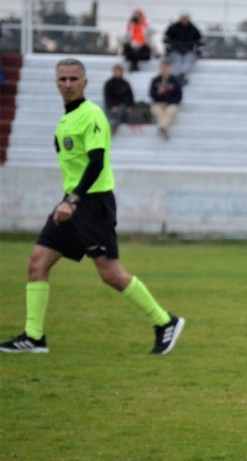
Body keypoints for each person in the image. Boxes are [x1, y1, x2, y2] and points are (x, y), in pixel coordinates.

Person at [0, 58, 184, 355]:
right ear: (56, 83)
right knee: (37, 262)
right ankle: (33, 337)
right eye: (62, 79)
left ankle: (164, 321)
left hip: (92, 203)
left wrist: (73, 199)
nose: (68, 84)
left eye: (74, 79)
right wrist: (69, 200)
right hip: (71, 202)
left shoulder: (92, 115)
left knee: (111, 274)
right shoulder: (66, 119)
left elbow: (97, 162)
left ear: (85, 83)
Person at [163, 12, 203, 85]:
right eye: (183, 18)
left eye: (185, 18)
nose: (184, 20)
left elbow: (200, 41)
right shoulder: (173, 28)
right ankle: (177, 77)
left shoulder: (193, 29)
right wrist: (168, 50)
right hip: (175, 51)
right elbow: (166, 39)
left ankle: (182, 75)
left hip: (189, 51)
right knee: (177, 60)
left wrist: (198, 52)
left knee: (188, 60)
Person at [149, 61, 183, 140]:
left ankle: (162, 128)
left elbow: (179, 96)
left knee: (169, 111)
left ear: (169, 69)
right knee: (159, 112)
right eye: (162, 68)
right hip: (157, 103)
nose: (164, 70)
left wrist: (169, 102)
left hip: (171, 104)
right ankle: (164, 129)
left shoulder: (175, 80)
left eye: (166, 68)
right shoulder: (155, 80)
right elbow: (151, 94)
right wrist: (158, 93)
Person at [103, 64, 135, 135]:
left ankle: (113, 124)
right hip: (111, 105)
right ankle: (112, 123)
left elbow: (130, 96)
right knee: (108, 110)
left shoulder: (126, 84)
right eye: (116, 72)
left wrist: (130, 106)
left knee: (121, 109)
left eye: (119, 72)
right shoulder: (109, 83)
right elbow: (107, 97)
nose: (117, 73)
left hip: (122, 105)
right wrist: (112, 106)